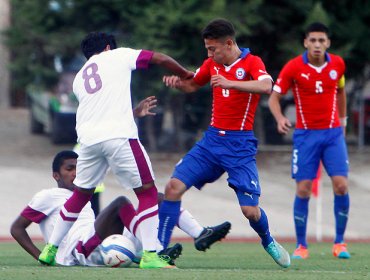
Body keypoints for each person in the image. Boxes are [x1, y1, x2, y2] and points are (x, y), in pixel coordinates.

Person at [38, 31, 194, 269]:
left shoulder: (80, 78)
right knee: (147, 192)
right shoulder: (118, 55)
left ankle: (50, 249)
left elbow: (101, 108)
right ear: (109, 47)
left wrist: (131, 112)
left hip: (88, 141)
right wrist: (185, 74)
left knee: (80, 195)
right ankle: (151, 256)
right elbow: (160, 58)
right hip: (119, 136)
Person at [158, 18, 290, 268]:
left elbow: (266, 85)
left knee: (250, 211)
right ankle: (159, 253)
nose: (209, 53)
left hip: (240, 146)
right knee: (173, 187)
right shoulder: (212, 64)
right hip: (211, 142)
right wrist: (178, 84)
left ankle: (268, 240)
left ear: (229, 43)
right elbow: (192, 84)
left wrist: (231, 83)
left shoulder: (252, 62)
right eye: (207, 49)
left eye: (212, 49)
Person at [11, 150, 231, 266]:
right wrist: (41, 256)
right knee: (119, 204)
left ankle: (199, 234)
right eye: (70, 169)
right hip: (77, 253)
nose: (76, 173)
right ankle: (154, 250)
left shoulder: (82, 198)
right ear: (56, 175)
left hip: (100, 245)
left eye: (80, 168)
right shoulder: (48, 196)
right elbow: (17, 228)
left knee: (160, 198)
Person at [268, 22, 350, 259]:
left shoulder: (338, 64)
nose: (317, 45)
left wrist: (343, 122)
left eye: (321, 40)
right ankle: (301, 246)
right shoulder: (294, 67)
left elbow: (341, 90)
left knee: (341, 185)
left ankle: (340, 243)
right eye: (312, 40)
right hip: (306, 136)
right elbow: (274, 97)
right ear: (305, 42)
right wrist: (280, 117)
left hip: (333, 133)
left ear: (328, 43)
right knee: (303, 189)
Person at [72, 96, 158, 217]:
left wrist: (133, 114)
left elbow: (111, 125)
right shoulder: (82, 146)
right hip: (86, 189)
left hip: (92, 189)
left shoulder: (86, 141)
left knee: (89, 217)